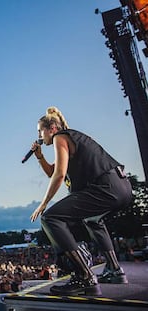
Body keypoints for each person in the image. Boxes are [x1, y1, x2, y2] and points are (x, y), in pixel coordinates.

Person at [29, 106, 132, 296]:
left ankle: (84, 277)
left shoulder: (61, 137)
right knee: (92, 219)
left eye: (39, 131)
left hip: (105, 187)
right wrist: (40, 157)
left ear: (51, 128)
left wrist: (44, 204)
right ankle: (114, 270)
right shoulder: (71, 137)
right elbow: (53, 170)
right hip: (122, 186)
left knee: (51, 218)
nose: (39, 135)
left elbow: (59, 175)